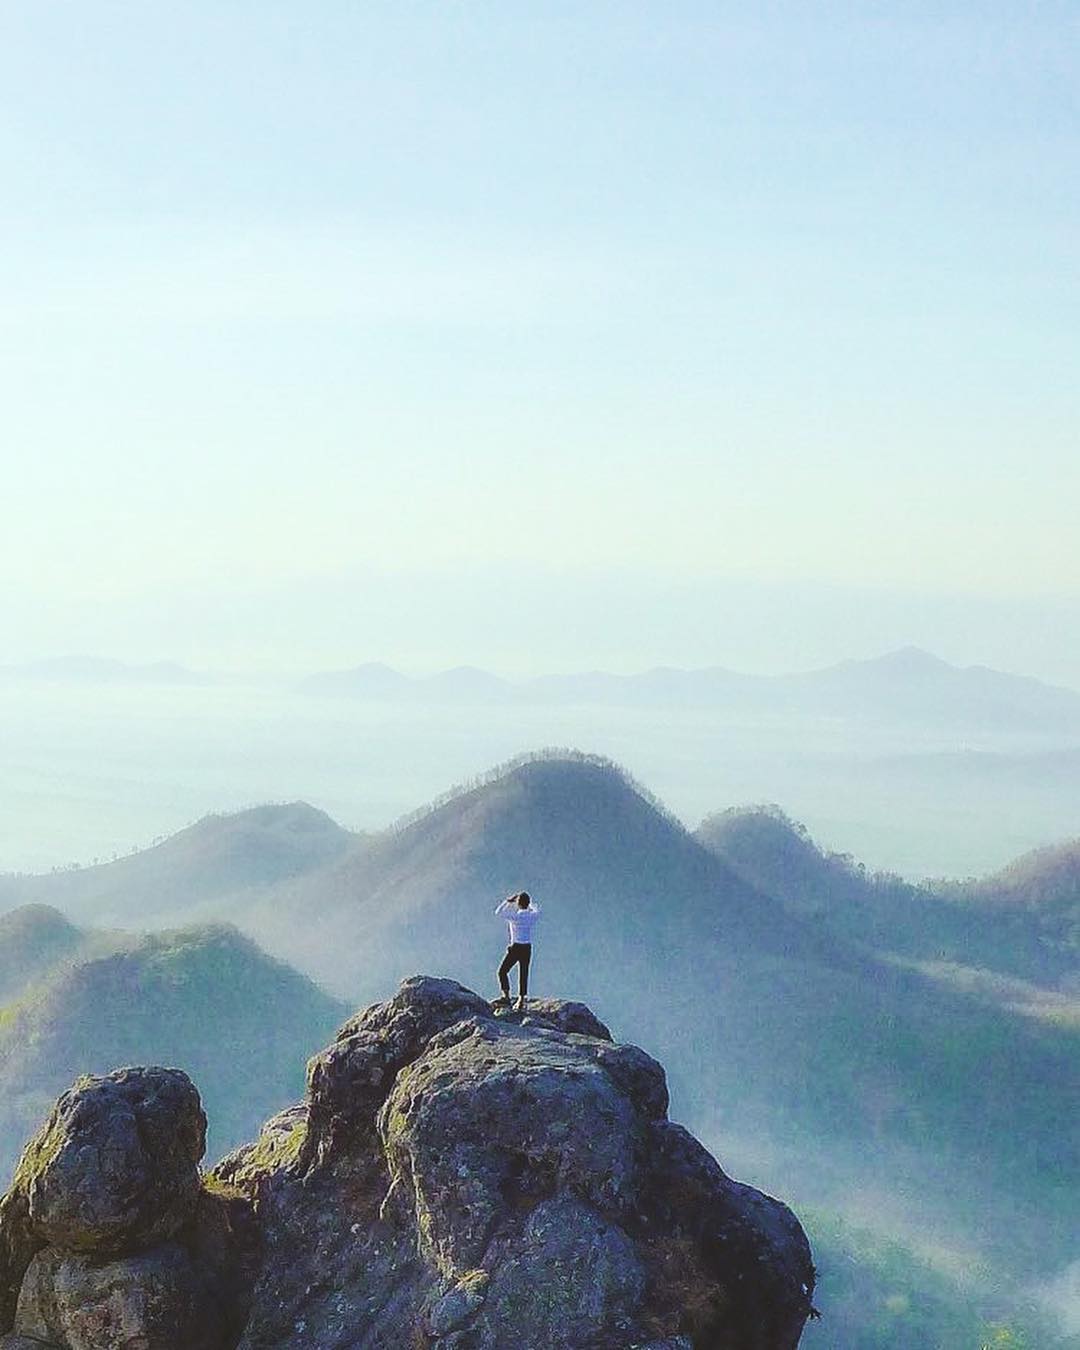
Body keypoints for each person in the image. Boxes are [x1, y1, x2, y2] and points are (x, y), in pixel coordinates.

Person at [493, 890, 540, 1011]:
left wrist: (508, 901)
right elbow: (537, 910)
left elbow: (498, 912)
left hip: (515, 948)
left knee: (502, 971)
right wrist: (530, 904)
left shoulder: (515, 916)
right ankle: (521, 1000)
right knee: (523, 973)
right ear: (527, 903)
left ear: (518, 904)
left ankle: (506, 996)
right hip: (527, 947)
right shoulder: (531, 916)